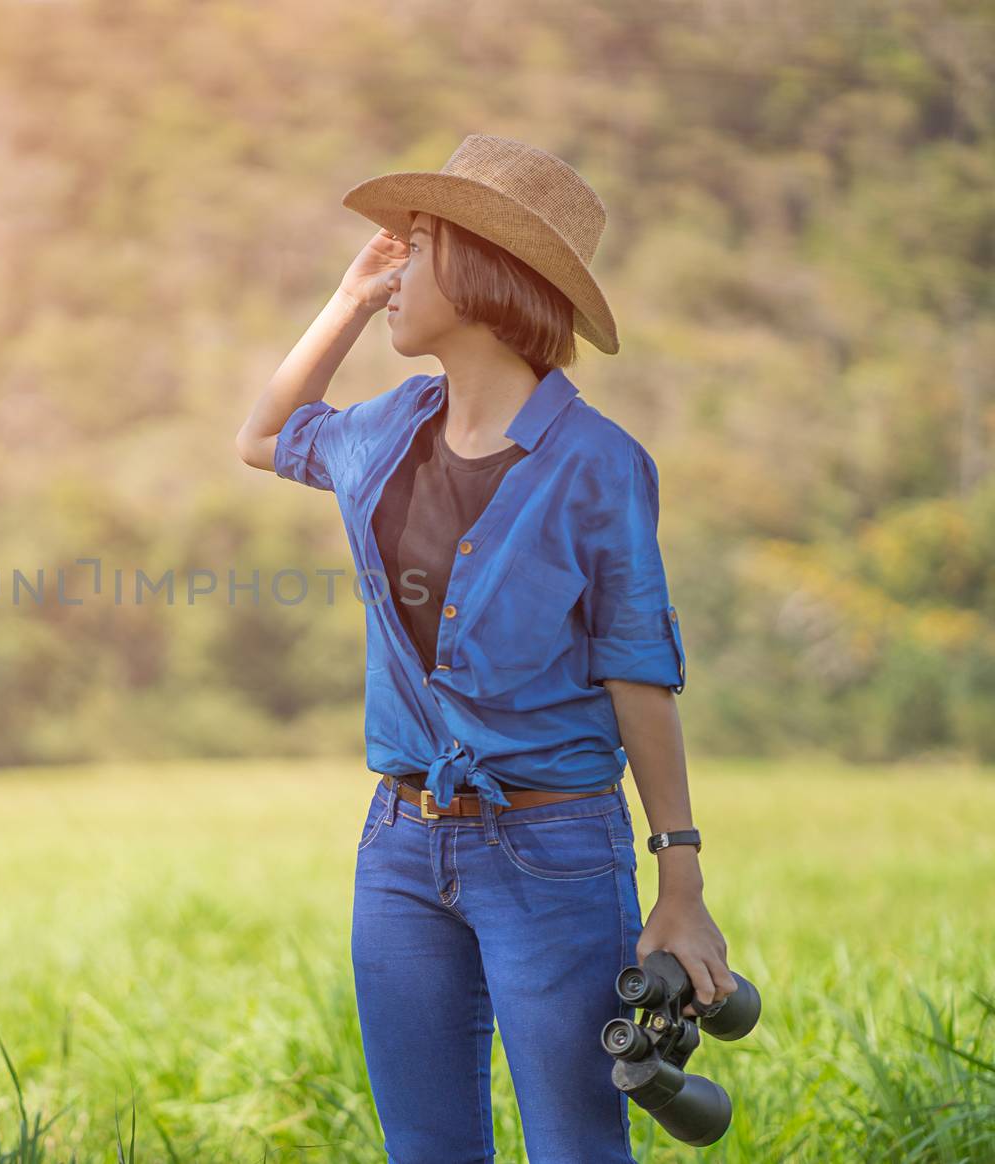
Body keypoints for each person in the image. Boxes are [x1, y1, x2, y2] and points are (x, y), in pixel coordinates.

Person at [234, 135, 737, 1163]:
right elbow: (263, 436)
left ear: (475, 270)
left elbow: (637, 669)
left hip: (550, 852)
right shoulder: (383, 432)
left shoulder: (598, 466)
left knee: (575, 1150)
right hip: (400, 850)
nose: (391, 275)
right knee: (425, 1150)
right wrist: (344, 299)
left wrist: (677, 882)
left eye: (413, 251)